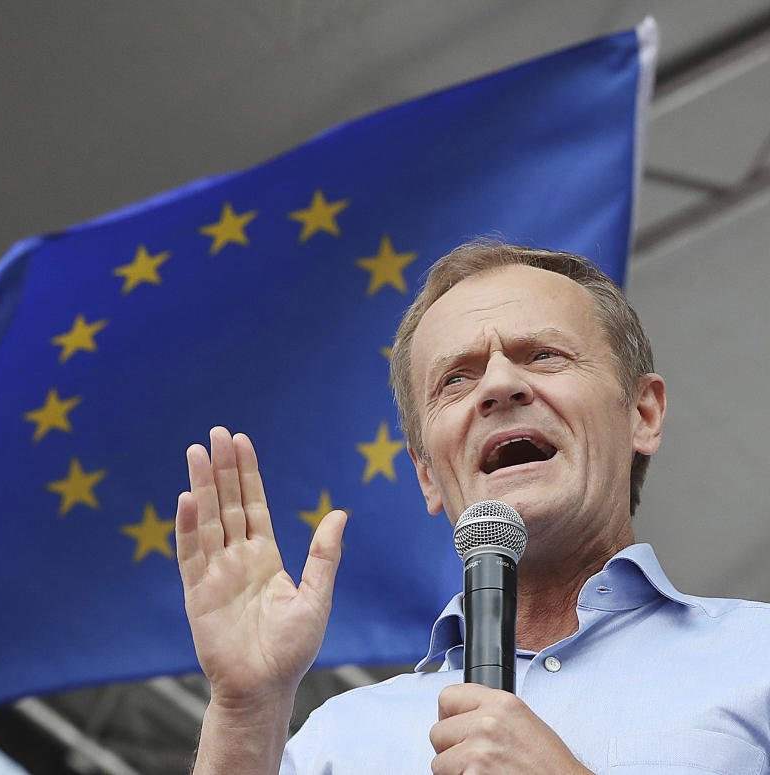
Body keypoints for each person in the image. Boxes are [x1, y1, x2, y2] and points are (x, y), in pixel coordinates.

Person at [174, 241, 770, 774]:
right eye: (456, 379)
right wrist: (247, 710)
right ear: (428, 475)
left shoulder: (757, 657)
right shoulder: (338, 741)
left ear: (642, 414)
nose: (499, 386)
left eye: (542, 356)